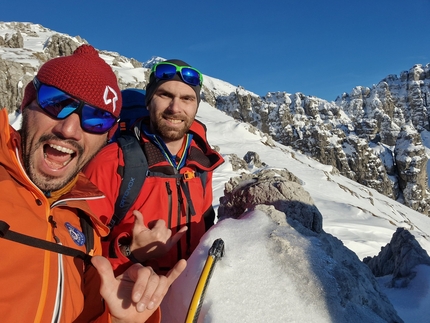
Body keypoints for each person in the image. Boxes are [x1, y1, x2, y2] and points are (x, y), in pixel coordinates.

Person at [0, 44, 186, 323]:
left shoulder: (84, 218)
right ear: (27, 101)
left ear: (107, 133)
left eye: (96, 118)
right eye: (56, 103)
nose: (70, 129)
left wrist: (119, 319)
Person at [84, 59, 224, 275]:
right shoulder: (112, 162)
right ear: (149, 102)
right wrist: (130, 252)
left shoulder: (201, 163)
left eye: (187, 98)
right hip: (128, 299)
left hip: (189, 295)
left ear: (196, 106)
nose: (175, 108)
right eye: (165, 95)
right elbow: (79, 252)